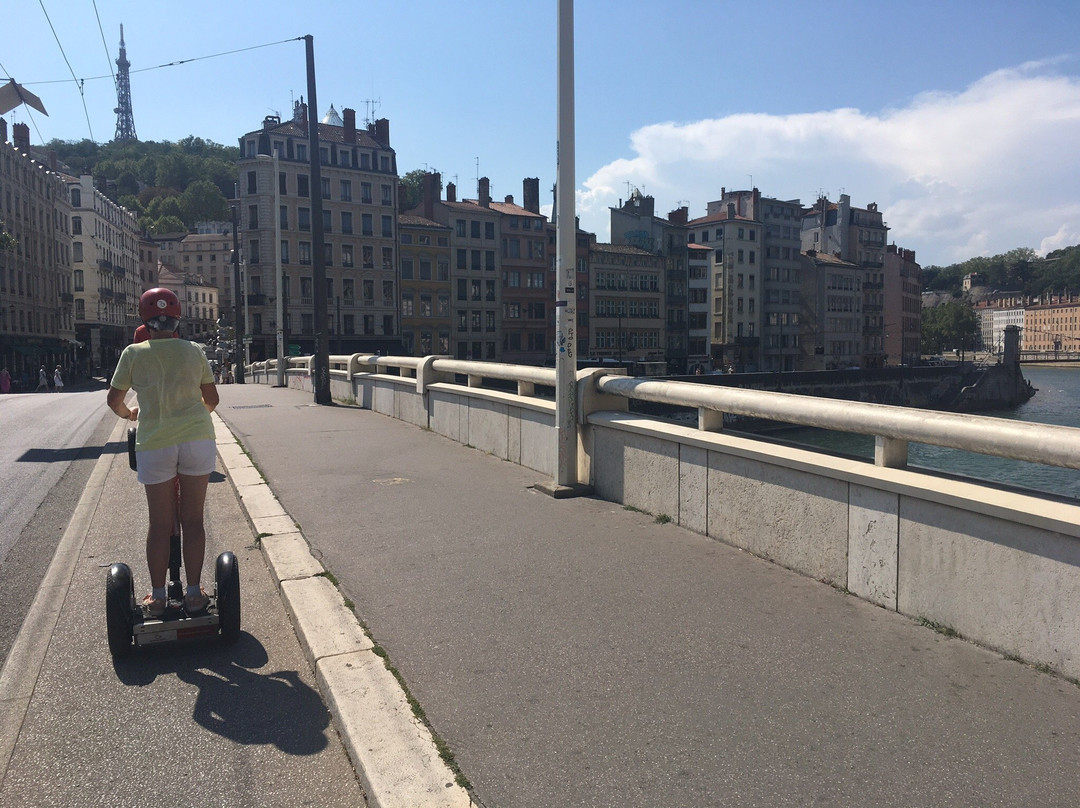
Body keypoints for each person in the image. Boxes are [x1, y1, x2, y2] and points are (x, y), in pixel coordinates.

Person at [107, 288, 219, 618]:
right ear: (177, 318)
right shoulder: (194, 350)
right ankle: (195, 595)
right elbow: (212, 400)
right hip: (197, 439)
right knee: (193, 520)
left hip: (155, 442)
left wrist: (131, 415)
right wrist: (193, 417)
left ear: (145, 320)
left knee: (160, 524)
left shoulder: (133, 353)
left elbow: (114, 400)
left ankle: (157, 597)